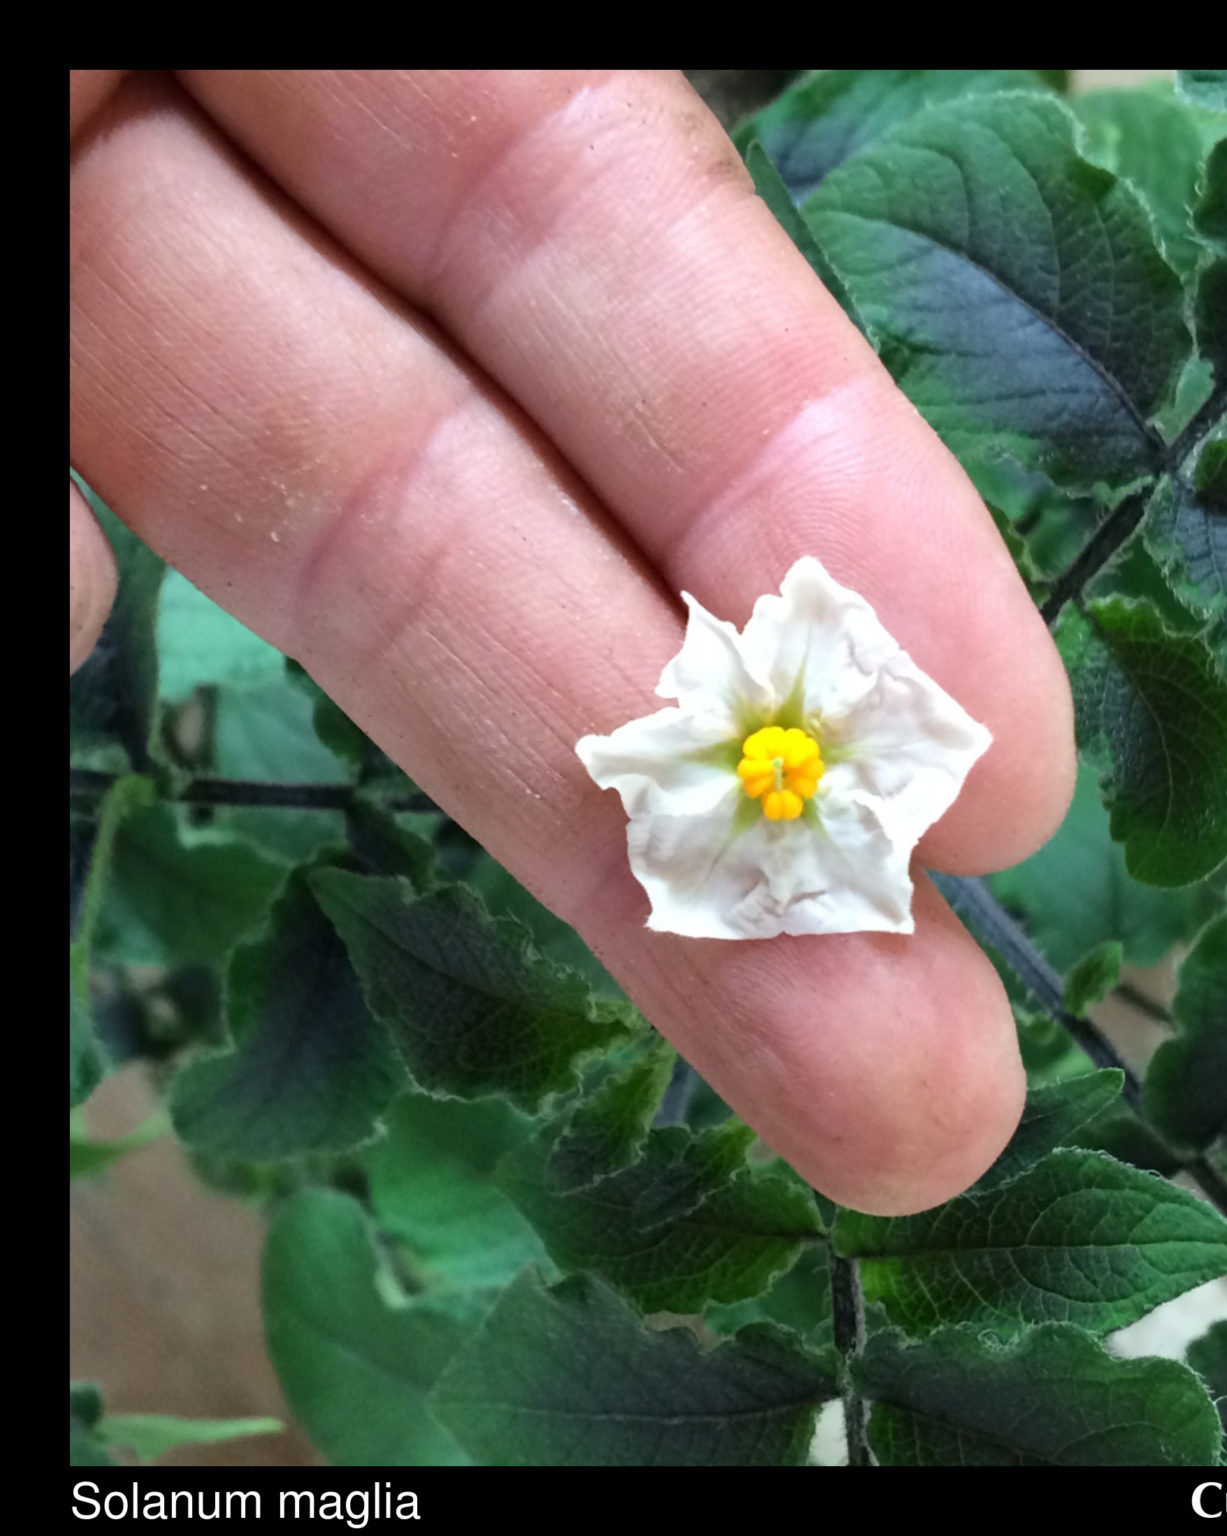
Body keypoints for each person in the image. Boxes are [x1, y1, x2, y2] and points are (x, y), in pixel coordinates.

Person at [69, 69, 1075, 1216]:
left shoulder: (773, 746)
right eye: (778, 767)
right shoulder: (769, 739)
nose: (778, 769)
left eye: (776, 774)